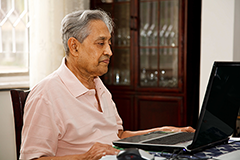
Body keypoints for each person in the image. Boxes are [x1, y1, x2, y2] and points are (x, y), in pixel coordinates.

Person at [20, 10, 195, 160]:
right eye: (100, 43)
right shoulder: (46, 94)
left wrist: (162, 132)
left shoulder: (98, 84)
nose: (109, 51)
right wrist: (87, 157)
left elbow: (117, 136)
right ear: (74, 47)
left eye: (109, 43)